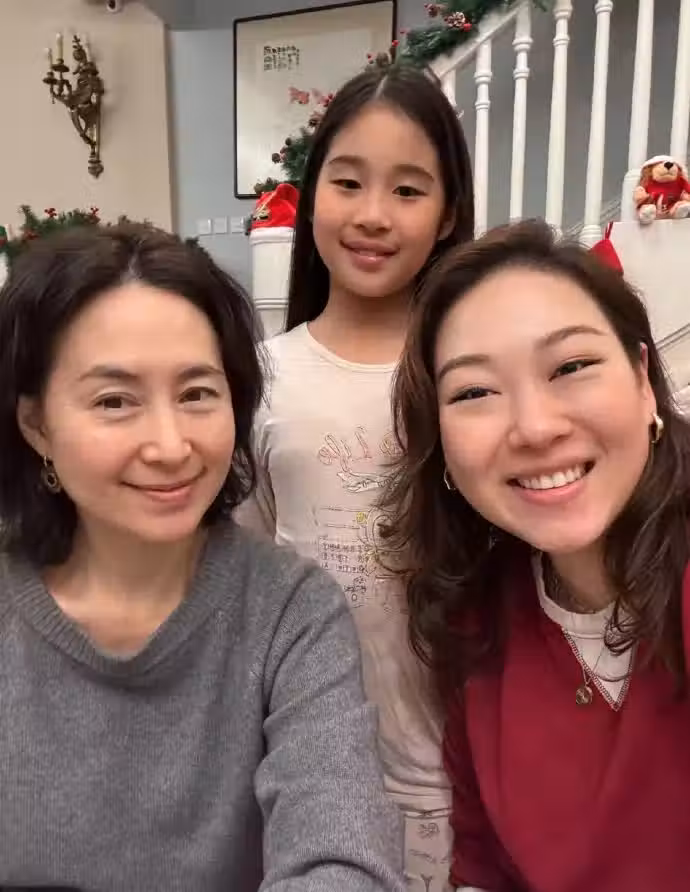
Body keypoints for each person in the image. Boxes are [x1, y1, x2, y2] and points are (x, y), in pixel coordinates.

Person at [0, 223, 406, 892]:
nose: (170, 446)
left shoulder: (292, 613)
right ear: (37, 425)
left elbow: (344, 859)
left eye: (196, 394)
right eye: (114, 401)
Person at [382, 218, 690, 892]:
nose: (535, 428)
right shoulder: (475, 621)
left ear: (643, 382)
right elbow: (483, 863)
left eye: (572, 367)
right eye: (474, 392)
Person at [236, 59, 474, 891]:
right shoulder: (261, 378)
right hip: (308, 768)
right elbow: (247, 580)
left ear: (449, 214)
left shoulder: (471, 372)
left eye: (408, 190)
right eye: (347, 182)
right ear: (312, 200)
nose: (373, 214)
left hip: (467, 773)